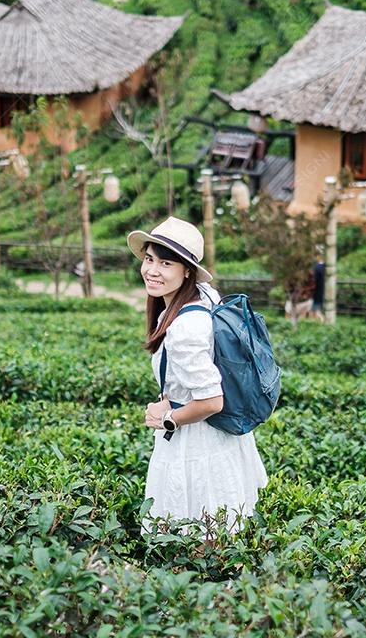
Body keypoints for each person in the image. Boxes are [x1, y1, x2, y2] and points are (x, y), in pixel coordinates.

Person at [127, 216, 268, 537]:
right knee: (220, 532)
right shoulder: (204, 296)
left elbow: (212, 401)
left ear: (187, 271)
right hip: (222, 439)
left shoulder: (185, 329)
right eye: (149, 259)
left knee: (193, 534)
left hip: (197, 440)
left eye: (166, 263)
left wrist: (168, 416)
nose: (152, 270)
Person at [308, 257, 325, 322]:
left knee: (316, 312)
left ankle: (325, 323)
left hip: (315, 293)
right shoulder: (325, 266)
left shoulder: (316, 267)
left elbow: (313, 281)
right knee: (312, 312)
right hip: (322, 292)